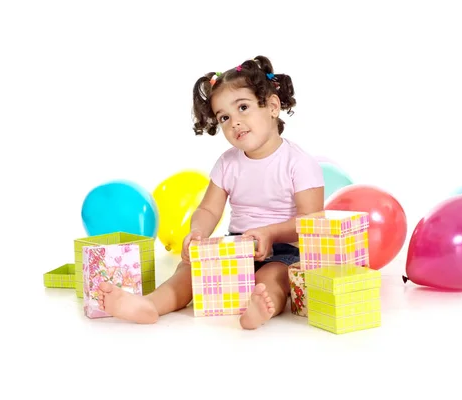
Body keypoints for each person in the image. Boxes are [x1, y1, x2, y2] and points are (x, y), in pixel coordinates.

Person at [97, 55, 325, 329]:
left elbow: (312, 222)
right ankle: (151, 304)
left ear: (273, 106)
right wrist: (198, 233)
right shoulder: (228, 162)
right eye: (224, 117)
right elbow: (209, 209)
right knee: (189, 269)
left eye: (243, 107)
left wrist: (271, 233)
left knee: (274, 277)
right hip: (237, 244)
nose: (234, 122)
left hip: (284, 249)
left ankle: (261, 309)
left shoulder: (298, 162)